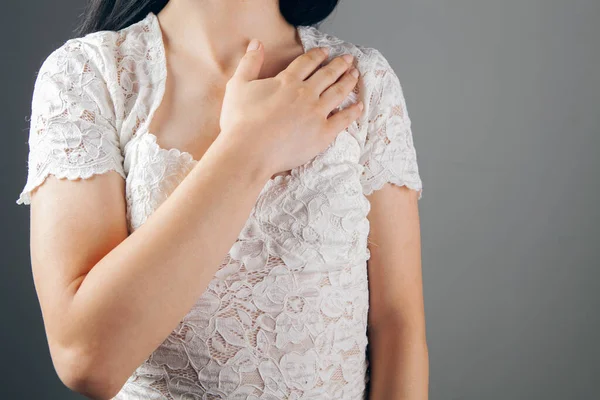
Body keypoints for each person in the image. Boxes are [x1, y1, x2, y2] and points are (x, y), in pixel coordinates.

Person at [15, 0, 428, 398]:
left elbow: (397, 327)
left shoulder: (362, 81)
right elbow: (87, 360)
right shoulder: (89, 76)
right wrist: (250, 147)